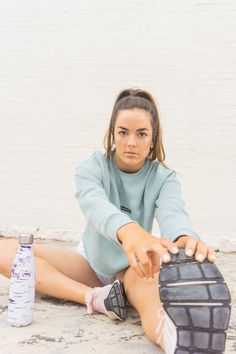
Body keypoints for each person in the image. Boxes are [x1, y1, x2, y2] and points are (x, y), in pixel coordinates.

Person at [0, 88, 231, 354]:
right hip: (91, 262)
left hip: (130, 267)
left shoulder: (164, 178)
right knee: (7, 251)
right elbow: (95, 205)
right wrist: (130, 231)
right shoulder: (92, 167)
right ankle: (96, 298)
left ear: (153, 138)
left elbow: (173, 212)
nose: (131, 142)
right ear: (112, 134)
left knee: (150, 304)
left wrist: (184, 239)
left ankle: (175, 338)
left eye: (141, 133)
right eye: (123, 132)